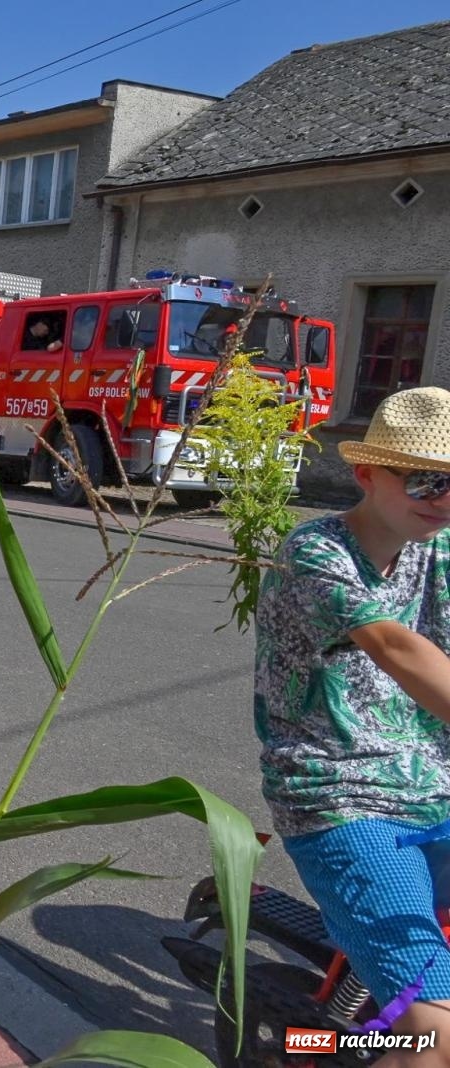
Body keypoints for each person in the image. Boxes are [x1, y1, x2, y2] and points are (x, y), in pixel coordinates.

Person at [256, 386, 450, 1059]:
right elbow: (396, 648)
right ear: (366, 474)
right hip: (342, 794)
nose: (442, 498)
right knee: (437, 1036)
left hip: (437, 787)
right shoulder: (316, 552)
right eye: (425, 478)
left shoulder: (442, 549)